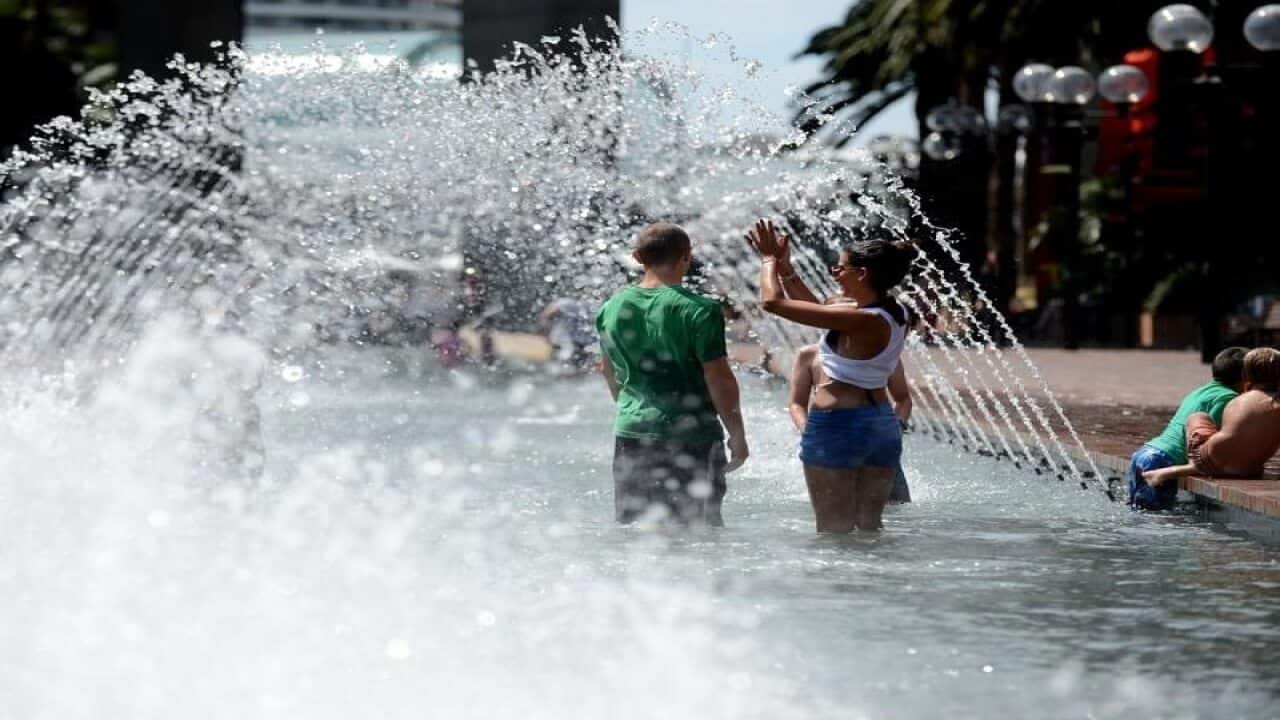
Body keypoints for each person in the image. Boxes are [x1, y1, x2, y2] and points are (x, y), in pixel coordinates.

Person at [748, 219, 915, 532]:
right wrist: (786, 269)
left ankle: (835, 581)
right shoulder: (891, 312)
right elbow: (816, 307)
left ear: (862, 274)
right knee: (870, 527)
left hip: (837, 426)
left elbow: (772, 302)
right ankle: (876, 579)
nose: (834, 273)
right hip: (880, 424)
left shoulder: (863, 319)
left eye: (840, 268)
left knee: (832, 530)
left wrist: (768, 260)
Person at [596, 222, 749, 526]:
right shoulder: (701, 310)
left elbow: (608, 371)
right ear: (687, 257)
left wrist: (631, 409)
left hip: (631, 432)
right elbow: (718, 377)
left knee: (637, 528)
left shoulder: (611, 307)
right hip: (691, 435)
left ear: (637, 257)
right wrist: (737, 434)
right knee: (697, 530)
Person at [787, 299, 916, 503]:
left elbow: (903, 399)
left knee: (895, 507)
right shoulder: (809, 355)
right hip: (830, 436)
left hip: (876, 437)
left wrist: (897, 427)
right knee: (835, 510)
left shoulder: (879, 354)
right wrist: (808, 430)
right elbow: (796, 404)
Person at [1125, 346, 1247, 510]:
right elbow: (1213, 436)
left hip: (1145, 453)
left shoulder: (1200, 391)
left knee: (1139, 512)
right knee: (1155, 520)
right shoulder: (1227, 397)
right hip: (1163, 461)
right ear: (1246, 378)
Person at [1144, 347, 1280, 488]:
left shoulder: (1239, 400)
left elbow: (1229, 434)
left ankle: (1191, 466)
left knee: (1197, 417)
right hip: (1249, 469)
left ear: (1246, 376)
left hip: (1211, 461)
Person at [539, 297, 597, 371]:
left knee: (559, 365)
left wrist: (545, 329)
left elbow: (548, 314)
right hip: (586, 342)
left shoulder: (566, 303)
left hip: (570, 342)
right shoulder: (592, 305)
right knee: (582, 367)